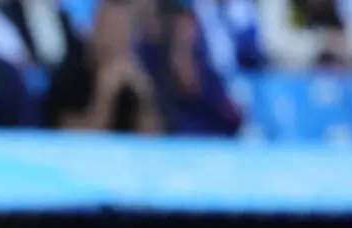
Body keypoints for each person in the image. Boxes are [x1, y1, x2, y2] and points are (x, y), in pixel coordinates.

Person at [45, 0, 163, 133]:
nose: (114, 39)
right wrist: (105, 95)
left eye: (121, 30)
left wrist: (144, 98)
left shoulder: (135, 72)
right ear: (95, 29)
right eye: (110, 29)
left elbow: (153, 139)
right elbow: (73, 139)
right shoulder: (70, 72)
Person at [142, 4, 243, 136]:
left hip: (211, 141)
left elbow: (234, 119)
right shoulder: (151, 62)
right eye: (178, 26)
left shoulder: (206, 70)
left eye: (190, 25)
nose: (185, 33)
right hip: (169, 141)